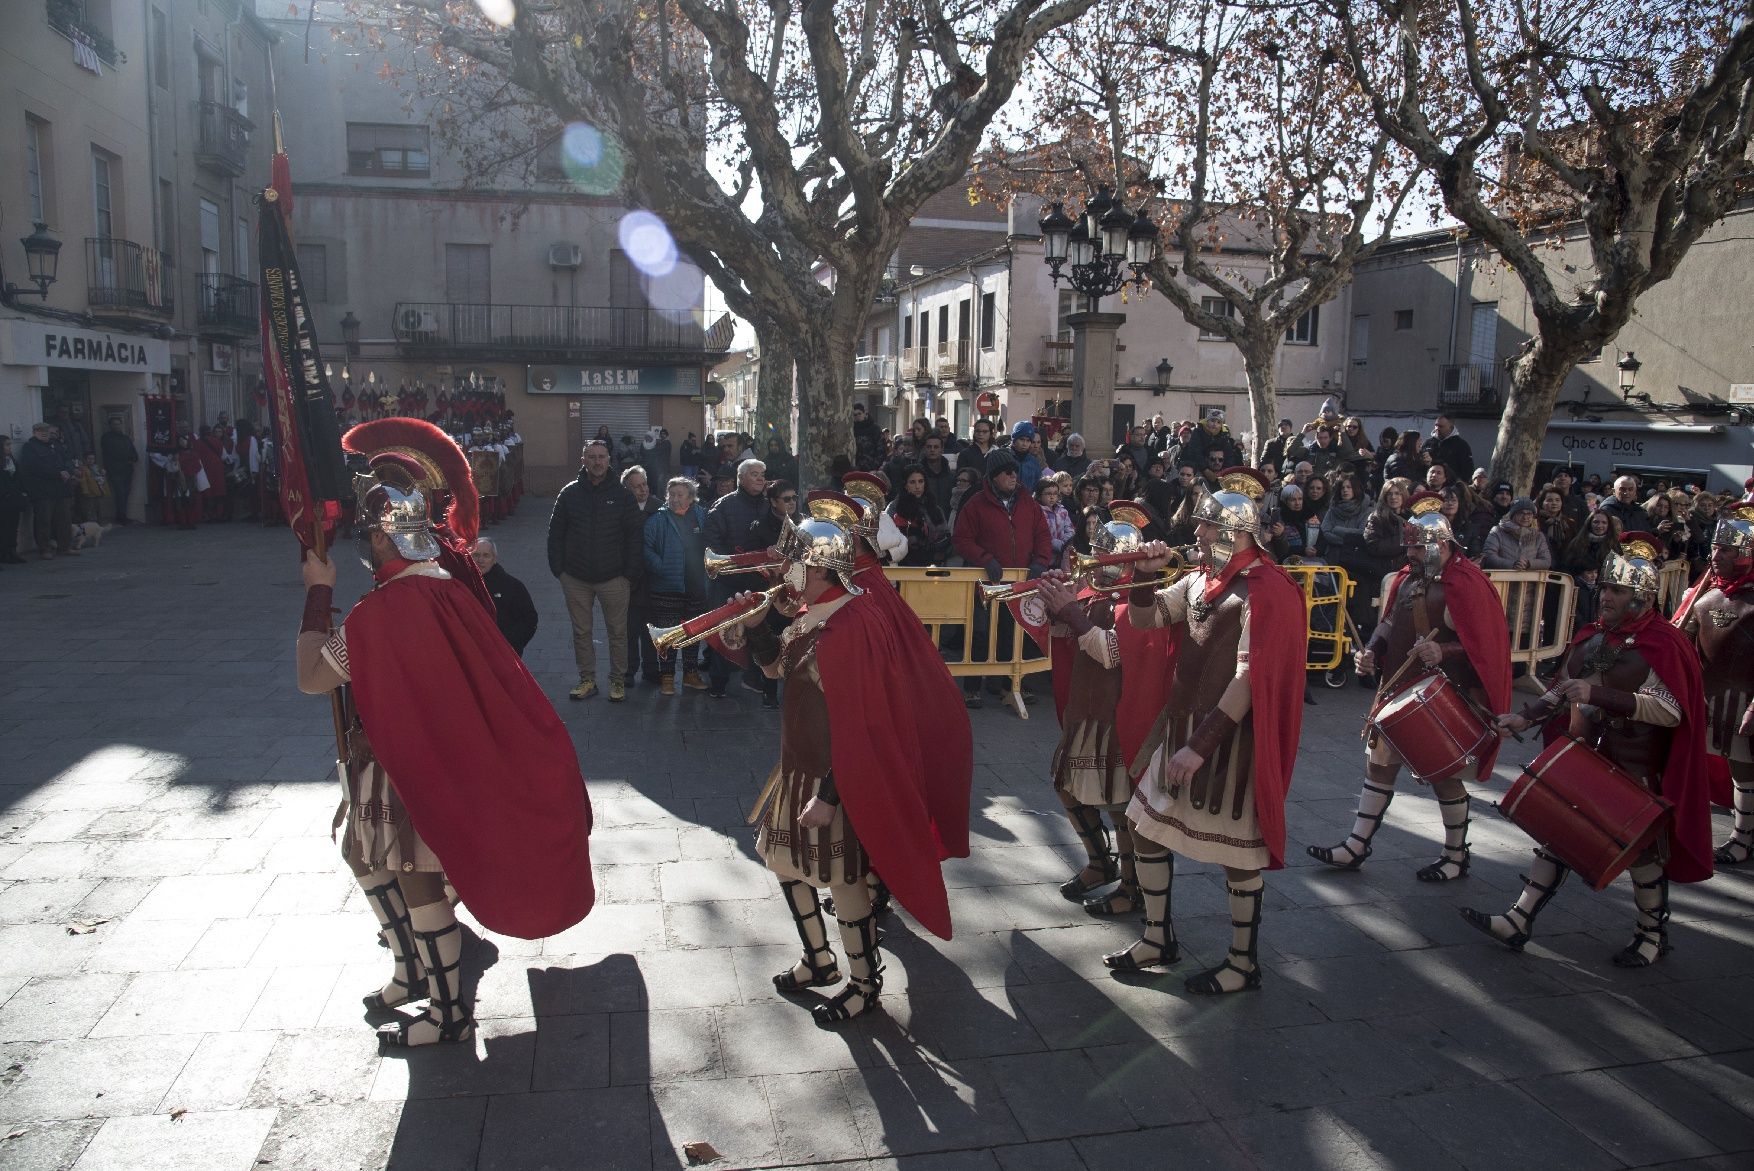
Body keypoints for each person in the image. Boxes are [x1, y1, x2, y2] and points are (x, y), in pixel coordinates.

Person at [295, 418, 595, 1045]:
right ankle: (409, 973)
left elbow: (312, 677)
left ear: (384, 538)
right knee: (364, 855)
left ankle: (448, 1014)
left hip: (408, 765)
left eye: (368, 535)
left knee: (415, 877)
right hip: (423, 755)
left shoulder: (380, 612)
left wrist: (318, 595)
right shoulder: (449, 588)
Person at [724, 496, 971, 1024]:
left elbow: (866, 722)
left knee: (842, 879)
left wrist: (831, 795)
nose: (784, 571)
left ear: (819, 569)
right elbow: (775, 671)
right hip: (797, 766)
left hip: (836, 776)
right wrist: (757, 627)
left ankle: (864, 983)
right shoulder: (814, 613)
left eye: (794, 563)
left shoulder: (855, 623)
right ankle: (818, 960)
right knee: (785, 864)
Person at [1469, 532, 1712, 966]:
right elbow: (1564, 686)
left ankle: (1652, 935)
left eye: (1616, 590)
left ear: (1642, 597)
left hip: (1635, 764)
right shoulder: (1593, 636)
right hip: (1588, 757)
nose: (1606, 597)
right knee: (1557, 835)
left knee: (1641, 855)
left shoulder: (1664, 644)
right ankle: (1518, 919)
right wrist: (1526, 717)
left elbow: (1670, 710)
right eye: (1605, 588)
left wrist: (1599, 696)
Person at [1106, 469, 1305, 994]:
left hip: (1229, 741)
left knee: (1237, 854)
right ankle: (1157, 938)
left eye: (1205, 525)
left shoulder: (1267, 590)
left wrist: (1200, 746)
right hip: (1180, 726)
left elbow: (1250, 678)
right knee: (1142, 825)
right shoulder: (1199, 578)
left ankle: (1242, 963)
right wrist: (1141, 574)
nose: (1196, 533)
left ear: (1233, 532)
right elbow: (1147, 620)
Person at [1309, 491, 1512, 878]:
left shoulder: (1467, 583)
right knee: (1379, 766)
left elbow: (1486, 646)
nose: (1411, 554)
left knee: (1444, 776)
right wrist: (1371, 652)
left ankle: (1455, 856)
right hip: (1398, 688)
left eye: (1418, 548)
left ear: (1441, 545)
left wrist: (1444, 650)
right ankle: (1356, 845)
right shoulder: (1407, 579)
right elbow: (1389, 623)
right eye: (1410, 548)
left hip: (1442, 695)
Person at [1035, 505, 1173, 919]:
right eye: (1094, 549)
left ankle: (1131, 887)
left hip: (1118, 715)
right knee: (1066, 785)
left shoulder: (1140, 596)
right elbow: (1065, 635)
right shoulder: (1094, 589)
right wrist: (1052, 601)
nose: (1093, 558)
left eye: (1102, 552)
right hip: (1086, 707)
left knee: (1118, 803)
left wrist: (1070, 611)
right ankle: (1100, 862)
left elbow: (1113, 652)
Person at [1673, 501, 1754, 864]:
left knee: (1745, 767)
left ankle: (1743, 838)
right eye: (1715, 548)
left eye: (1726, 550)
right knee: (1723, 764)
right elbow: (1683, 646)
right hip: (1709, 697)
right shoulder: (1707, 596)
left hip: (1745, 700)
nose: (1715, 556)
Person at [952, 447, 1052, 706]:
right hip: (986, 582)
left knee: (1013, 633)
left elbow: (1043, 535)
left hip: (1018, 583)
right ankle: (972, 688)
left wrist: (1040, 562)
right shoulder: (976, 503)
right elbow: (961, 538)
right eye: (1007, 472)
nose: (1013, 476)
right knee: (980, 633)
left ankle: (1009, 685)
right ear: (994, 476)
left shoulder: (1028, 503)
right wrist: (985, 559)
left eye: (1015, 471)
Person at [548, 440, 645, 702]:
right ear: (583, 460)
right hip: (575, 577)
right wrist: (560, 571)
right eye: (592, 457)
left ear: (609, 460)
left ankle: (617, 680)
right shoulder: (569, 493)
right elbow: (555, 535)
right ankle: (587, 679)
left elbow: (635, 537)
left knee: (618, 633)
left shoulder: (623, 495)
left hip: (615, 578)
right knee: (581, 632)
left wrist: (629, 574)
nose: (597, 461)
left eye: (602, 456)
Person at [702, 458, 771, 698]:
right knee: (725, 631)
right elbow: (711, 542)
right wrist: (736, 564)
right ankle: (718, 682)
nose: (760, 478)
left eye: (762, 474)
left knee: (758, 631)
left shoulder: (769, 505)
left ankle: (753, 677)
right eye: (754, 474)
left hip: (760, 581)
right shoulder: (723, 506)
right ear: (740, 478)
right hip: (729, 581)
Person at [644, 477, 710, 696]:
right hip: (666, 587)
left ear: (691, 497)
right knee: (668, 635)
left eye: (680, 495)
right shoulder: (657, 519)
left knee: (693, 633)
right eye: (671, 494)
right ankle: (667, 677)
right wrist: (660, 566)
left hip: (696, 586)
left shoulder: (702, 516)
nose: (674, 499)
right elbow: (646, 548)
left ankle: (690, 674)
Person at [622, 466, 664, 687]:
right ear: (627, 490)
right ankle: (628, 670)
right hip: (629, 578)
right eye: (636, 486)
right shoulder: (622, 509)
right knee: (629, 629)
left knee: (651, 628)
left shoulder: (660, 508)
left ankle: (651, 668)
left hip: (653, 578)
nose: (642, 489)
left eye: (644, 484)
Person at [471, 537, 538, 656]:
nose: (480, 560)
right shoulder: (462, 585)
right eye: (476, 555)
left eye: (486, 555)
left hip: (504, 652)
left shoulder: (512, 586)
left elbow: (529, 620)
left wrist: (510, 643)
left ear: (494, 559)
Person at [18, 422, 76, 558]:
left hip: (61, 489)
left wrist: (68, 471)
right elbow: (34, 466)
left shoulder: (56, 445)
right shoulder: (29, 447)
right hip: (43, 490)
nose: (44, 433)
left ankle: (64, 547)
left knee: (65, 520)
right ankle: (44, 549)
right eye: (40, 431)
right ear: (34, 433)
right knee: (43, 521)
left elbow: (68, 459)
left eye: (46, 430)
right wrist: (58, 473)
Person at [889, 465, 950, 567]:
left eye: (921, 481)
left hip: (933, 564)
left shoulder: (934, 508)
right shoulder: (894, 507)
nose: (917, 486)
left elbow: (944, 534)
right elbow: (888, 538)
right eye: (912, 482)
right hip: (904, 564)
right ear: (905, 485)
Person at [1174, 408, 1243, 471]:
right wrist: (1205, 470)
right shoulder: (1197, 432)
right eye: (1212, 421)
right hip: (1198, 469)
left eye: (1218, 422)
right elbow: (1195, 453)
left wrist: (1224, 471)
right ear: (1207, 422)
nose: (1215, 424)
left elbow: (1229, 456)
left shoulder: (1223, 436)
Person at [100, 418, 138, 525]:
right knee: (120, 493)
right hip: (115, 470)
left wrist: (134, 458)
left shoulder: (126, 438)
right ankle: (121, 517)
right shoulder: (107, 438)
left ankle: (122, 515)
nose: (117, 426)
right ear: (110, 425)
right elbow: (113, 453)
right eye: (114, 424)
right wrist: (127, 457)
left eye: (118, 424)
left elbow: (133, 452)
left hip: (127, 470)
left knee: (125, 493)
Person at [1420, 414, 1474, 487]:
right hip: (1428, 486)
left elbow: (1468, 470)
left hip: (1451, 487)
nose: (1437, 428)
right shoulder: (1428, 443)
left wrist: (1459, 487)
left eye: (1441, 426)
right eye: (1436, 425)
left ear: (1451, 428)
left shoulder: (1461, 445)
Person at [917, 433, 956, 515]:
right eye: (929, 447)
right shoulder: (917, 476)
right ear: (924, 449)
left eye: (936, 447)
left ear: (942, 449)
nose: (932, 450)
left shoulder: (952, 477)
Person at [0, 436, 24, 565]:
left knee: (13, 527)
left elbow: (17, 478)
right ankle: (3, 554)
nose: (10, 447)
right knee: (3, 528)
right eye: (7, 445)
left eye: (10, 444)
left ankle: (12, 552)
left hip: (14, 499)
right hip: (4, 499)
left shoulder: (11, 460)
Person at [1010, 421, 1044, 491]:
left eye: (1028, 440)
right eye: (1021, 439)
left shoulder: (1034, 462)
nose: (1024, 444)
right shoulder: (1005, 457)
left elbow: (1038, 485)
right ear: (1014, 439)